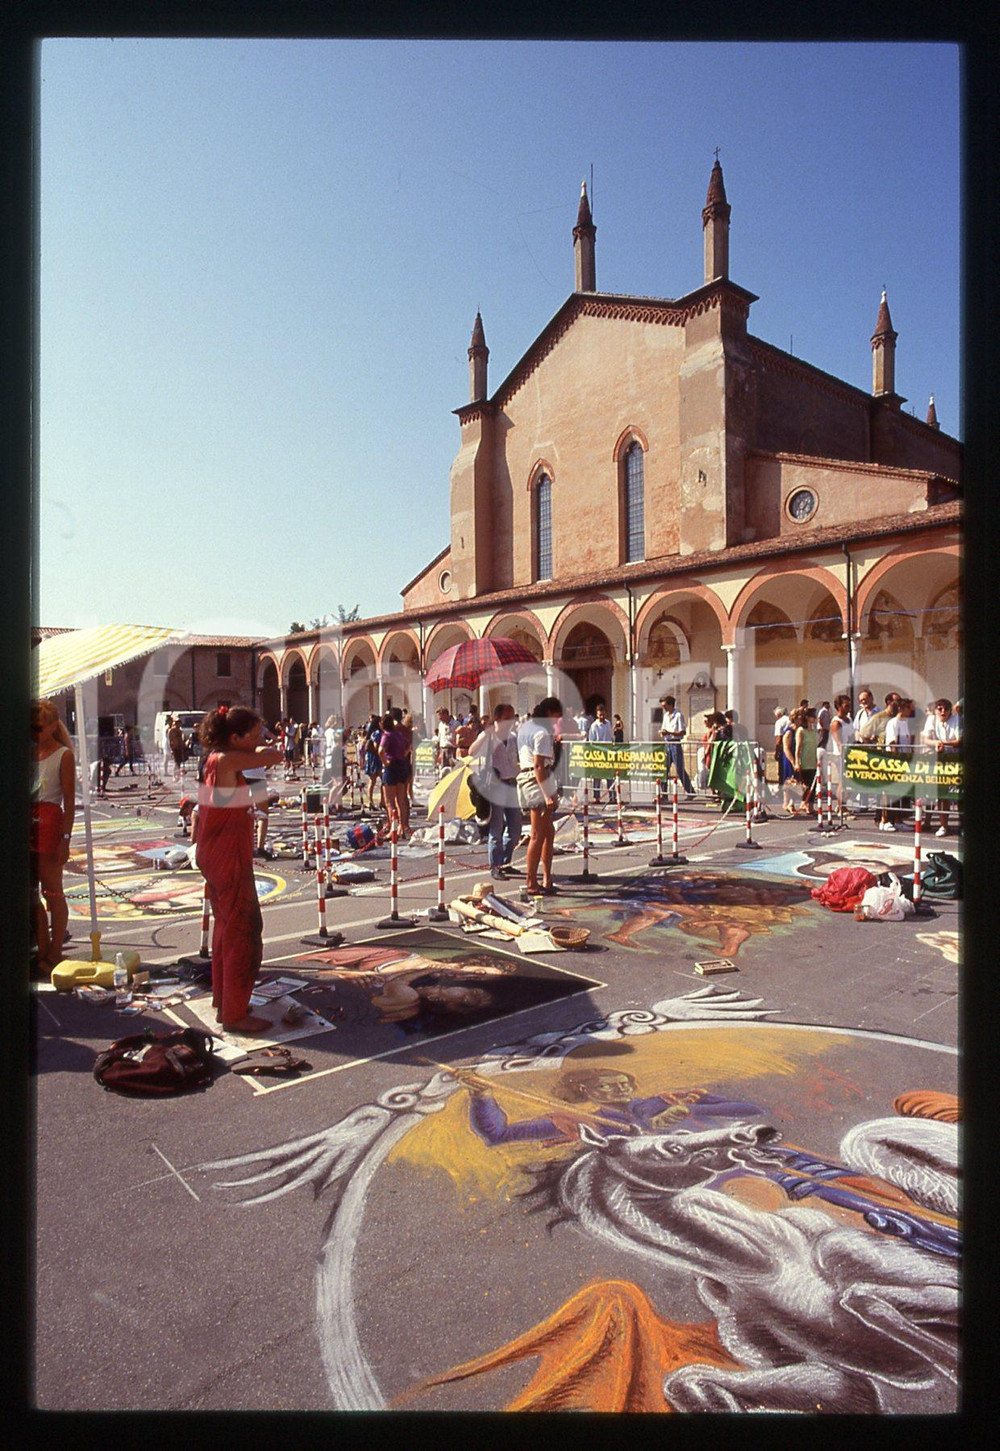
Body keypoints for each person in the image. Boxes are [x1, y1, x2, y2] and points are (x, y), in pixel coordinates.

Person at [195, 706, 284, 1035]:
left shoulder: (216, 759)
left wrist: (263, 792)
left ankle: (225, 1001)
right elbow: (275, 755)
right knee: (244, 933)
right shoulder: (227, 760)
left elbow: (232, 798)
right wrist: (267, 743)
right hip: (226, 856)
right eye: (254, 734)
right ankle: (233, 1013)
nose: (260, 739)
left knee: (226, 929)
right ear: (235, 738)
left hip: (216, 853)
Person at [31, 700, 75, 971]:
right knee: (32, 894)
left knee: (53, 892)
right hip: (29, 822)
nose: (34, 733)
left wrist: (65, 840)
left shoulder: (63, 755)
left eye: (38, 728)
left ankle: (55, 951)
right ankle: (43, 948)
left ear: (52, 726)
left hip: (50, 824)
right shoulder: (30, 752)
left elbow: (69, 802)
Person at [516, 697, 563, 898]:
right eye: (556, 717)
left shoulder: (527, 727)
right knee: (537, 834)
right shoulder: (542, 732)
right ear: (549, 713)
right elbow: (538, 766)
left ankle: (546, 878)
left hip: (531, 778)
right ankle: (531, 882)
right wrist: (547, 794)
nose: (557, 722)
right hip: (536, 781)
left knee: (548, 832)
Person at [472, 703, 523, 881]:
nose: (511, 721)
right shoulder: (489, 736)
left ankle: (505, 862)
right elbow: (471, 751)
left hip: (511, 783)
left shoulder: (513, 737)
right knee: (496, 828)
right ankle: (495, 866)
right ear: (499, 718)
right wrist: (486, 735)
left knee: (515, 828)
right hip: (496, 786)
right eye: (508, 717)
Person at [923, 698, 961, 836]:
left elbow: (959, 740)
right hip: (937, 759)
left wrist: (944, 744)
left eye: (946, 709)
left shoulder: (957, 720)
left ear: (950, 711)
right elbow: (926, 739)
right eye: (939, 709)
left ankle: (959, 825)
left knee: (955, 793)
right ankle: (939, 824)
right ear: (935, 710)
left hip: (954, 759)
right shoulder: (931, 719)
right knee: (938, 792)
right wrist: (935, 743)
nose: (943, 712)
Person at [883, 697, 916, 831]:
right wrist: (897, 762)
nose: (911, 710)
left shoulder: (905, 723)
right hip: (894, 762)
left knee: (900, 793)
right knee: (890, 793)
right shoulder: (893, 723)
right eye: (908, 707)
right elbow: (893, 743)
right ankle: (885, 820)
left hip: (905, 761)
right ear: (901, 708)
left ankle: (898, 820)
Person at [377, 710, 411, 837]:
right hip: (401, 765)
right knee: (401, 799)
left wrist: (385, 762)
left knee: (389, 801)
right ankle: (402, 826)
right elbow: (408, 747)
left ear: (382, 725)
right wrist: (402, 755)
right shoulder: (399, 735)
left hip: (391, 767)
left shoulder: (386, 735)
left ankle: (393, 828)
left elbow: (381, 750)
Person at [658, 694, 695, 797]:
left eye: (665, 706)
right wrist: (662, 732)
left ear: (671, 705)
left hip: (675, 743)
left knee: (679, 769)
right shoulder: (666, 716)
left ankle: (690, 791)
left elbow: (682, 732)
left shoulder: (678, 715)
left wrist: (669, 732)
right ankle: (664, 793)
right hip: (667, 744)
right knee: (663, 769)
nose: (664, 708)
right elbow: (664, 728)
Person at [825, 693, 855, 815]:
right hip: (840, 755)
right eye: (846, 706)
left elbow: (852, 736)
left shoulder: (849, 719)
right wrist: (844, 755)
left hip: (852, 753)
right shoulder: (836, 722)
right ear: (839, 706)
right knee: (843, 781)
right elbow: (839, 742)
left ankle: (842, 805)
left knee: (850, 782)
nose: (849, 708)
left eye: (849, 705)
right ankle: (841, 807)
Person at [794, 706, 820, 815]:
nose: (815, 718)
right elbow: (798, 748)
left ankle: (810, 806)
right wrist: (797, 762)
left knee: (813, 785)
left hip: (813, 761)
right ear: (807, 717)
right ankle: (804, 803)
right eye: (812, 716)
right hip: (804, 761)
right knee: (806, 786)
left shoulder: (814, 731)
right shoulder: (801, 731)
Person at [587, 703, 614, 803]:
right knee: (597, 776)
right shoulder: (594, 726)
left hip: (608, 754)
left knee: (610, 776)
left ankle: (612, 797)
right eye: (600, 715)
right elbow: (591, 741)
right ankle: (596, 797)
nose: (602, 716)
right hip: (598, 754)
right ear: (597, 715)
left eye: (603, 714)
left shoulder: (608, 723)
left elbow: (611, 737)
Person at [780, 708, 801, 813]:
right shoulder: (789, 732)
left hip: (796, 757)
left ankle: (789, 803)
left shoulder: (799, 730)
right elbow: (786, 748)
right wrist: (793, 762)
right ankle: (788, 803)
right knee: (790, 781)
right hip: (789, 758)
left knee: (794, 781)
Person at [361, 712, 383, 811]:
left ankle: (371, 801)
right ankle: (379, 801)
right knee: (381, 780)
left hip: (371, 757)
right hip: (376, 757)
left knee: (373, 781)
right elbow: (376, 746)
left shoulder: (371, 733)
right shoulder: (378, 733)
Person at [435, 707, 456, 774]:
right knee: (443, 771)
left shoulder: (455, 724)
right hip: (443, 749)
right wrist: (439, 752)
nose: (440, 719)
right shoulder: (441, 725)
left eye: (441, 717)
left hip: (452, 750)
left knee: (453, 770)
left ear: (446, 714)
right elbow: (439, 738)